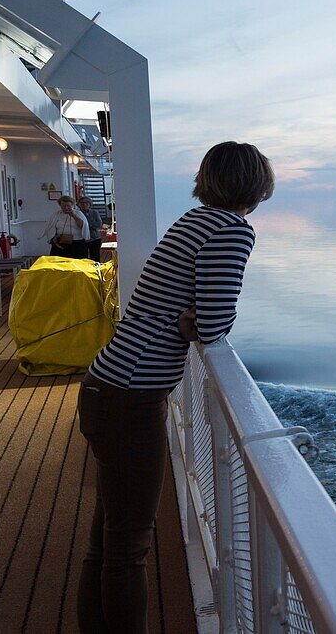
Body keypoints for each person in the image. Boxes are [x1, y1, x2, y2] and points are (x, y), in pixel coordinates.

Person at [76, 142, 274, 634]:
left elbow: (190, 311)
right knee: (128, 546)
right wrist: (195, 324)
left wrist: (190, 320)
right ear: (255, 184)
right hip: (129, 398)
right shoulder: (231, 229)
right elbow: (214, 324)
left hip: (107, 385)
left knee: (109, 537)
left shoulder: (192, 221)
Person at [78, 196, 105, 262]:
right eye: (82, 203)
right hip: (83, 238)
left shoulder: (94, 212)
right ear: (79, 204)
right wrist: (90, 226)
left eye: (87, 203)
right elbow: (78, 225)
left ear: (90, 204)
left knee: (95, 257)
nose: (84, 204)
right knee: (83, 257)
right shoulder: (78, 213)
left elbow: (98, 224)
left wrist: (87, 225)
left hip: (95, 238)